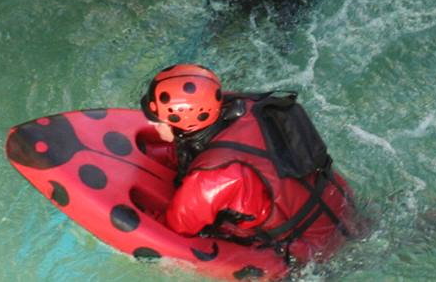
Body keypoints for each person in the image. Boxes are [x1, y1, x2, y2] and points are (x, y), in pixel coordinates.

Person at [138, 64, 357, 266]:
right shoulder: (250, 107)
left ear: (184, 122)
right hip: (343, 206)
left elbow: (176, 228)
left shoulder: (210, 179)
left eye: (156, 119)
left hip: (312, 255)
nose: (150, 123)